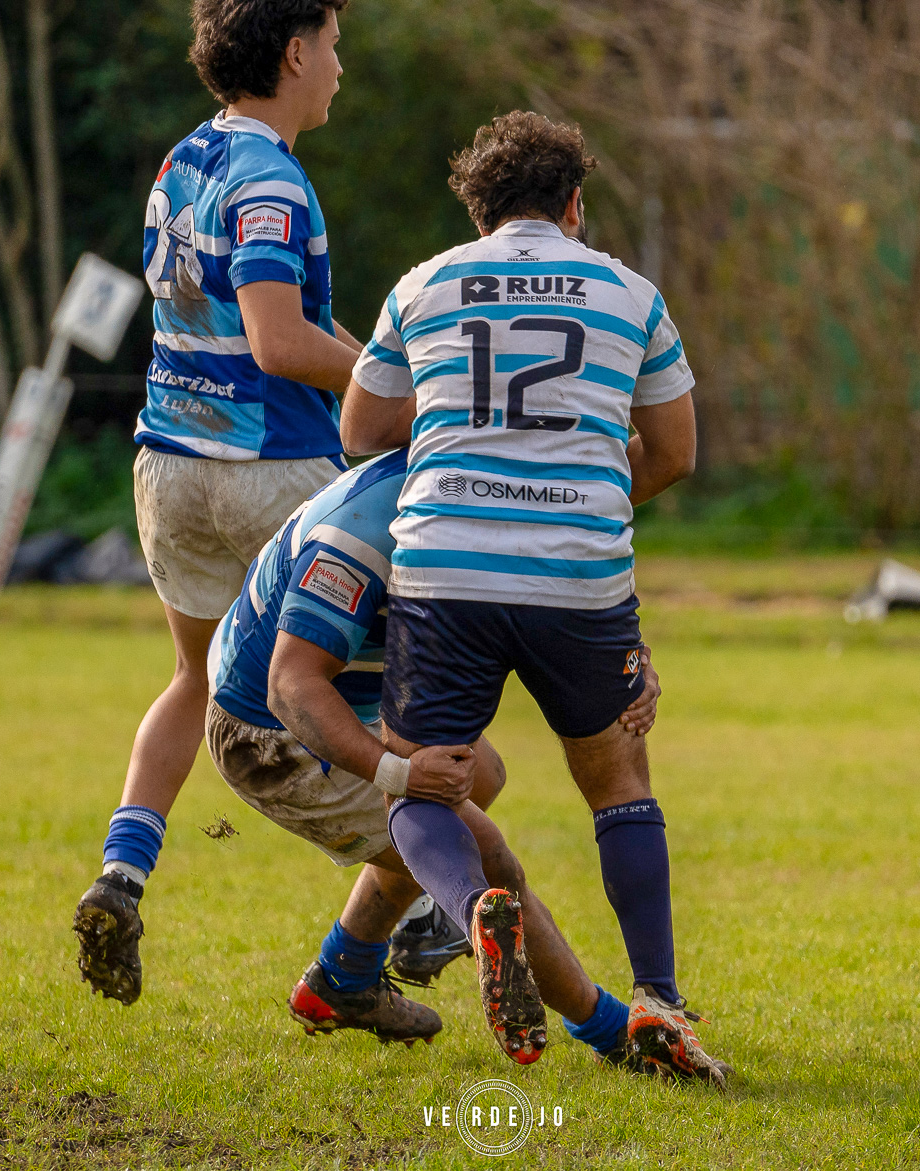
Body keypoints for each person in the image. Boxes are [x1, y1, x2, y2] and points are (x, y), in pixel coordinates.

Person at [338, 111, 731, 1085]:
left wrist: (463, 446)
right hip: (578, 572)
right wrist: (583, 488)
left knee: (423, 779)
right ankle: (659, 998)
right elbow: (677, 451)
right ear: (574, 204)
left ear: (477, 213)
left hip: (445, 567)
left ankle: (475, 907)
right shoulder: (630, 293)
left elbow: (361, 430)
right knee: (619, 779)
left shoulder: (423, 285)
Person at [74, 0, 366, 1007]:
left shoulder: (184, 160)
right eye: (334, 46)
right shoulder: (271, 179)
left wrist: (374, 364)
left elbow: (269, 320)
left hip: (170, 465)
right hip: (269, 469)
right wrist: (390, 384)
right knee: (392, 674)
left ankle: (121, 876)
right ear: (295, 52)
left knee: (193, 677)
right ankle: (409, 905)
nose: (340, 66)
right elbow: (280, 344)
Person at [203, 447, 660, 1064]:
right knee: (488, 860)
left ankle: (345, 972)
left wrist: (627, 662)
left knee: (480, 774)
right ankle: (610, 1032)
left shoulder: (482, 487)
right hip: (267, 729)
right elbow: (289, 685)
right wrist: (397, 772)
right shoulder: (363, 533)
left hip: (353, 695)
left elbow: (558, 607)